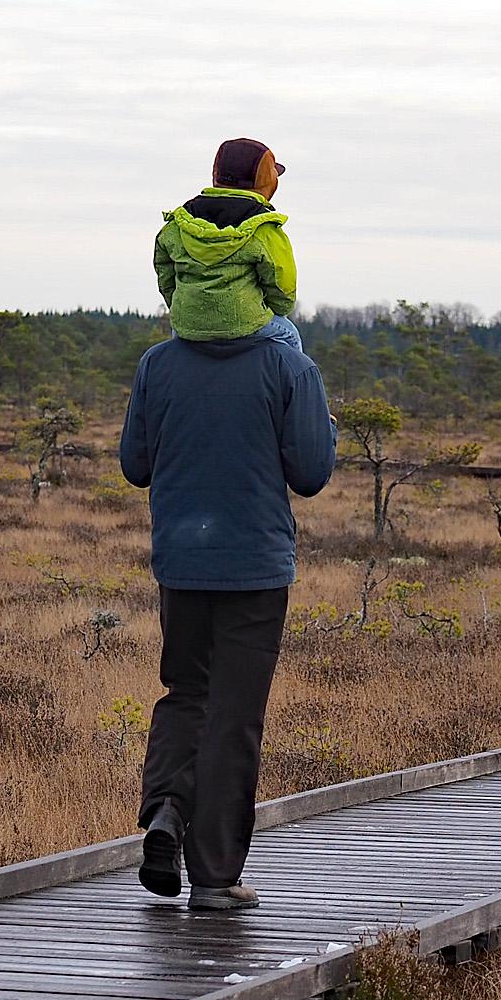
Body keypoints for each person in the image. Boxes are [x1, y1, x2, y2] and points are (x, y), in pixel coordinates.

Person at [121, 148, 336, 910]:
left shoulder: (157, 366)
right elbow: (311, 471)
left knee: (185, 690)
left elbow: (134, 464)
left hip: (181, 558)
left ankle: (166, 812)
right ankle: (214, 876)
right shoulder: (287, 367)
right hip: (253, 564)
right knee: (235, 712)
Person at [153, 137, 302, 353]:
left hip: (187, 326)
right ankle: (299, 387)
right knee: (290, 336)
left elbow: (165, 276)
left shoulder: (177, 225)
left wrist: (185, 307)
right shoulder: (265, 228)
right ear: (265, 179)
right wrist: (271, 309)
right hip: (247, 323)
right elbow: (282, 291)